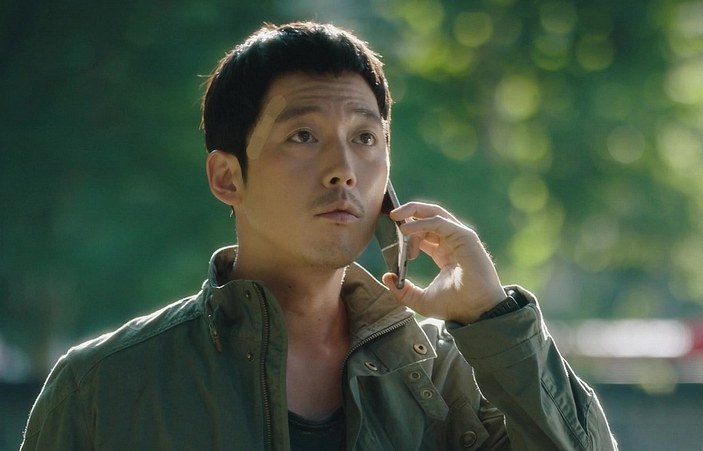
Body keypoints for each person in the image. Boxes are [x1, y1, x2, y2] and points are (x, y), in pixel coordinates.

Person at [20, 21, 618, 450]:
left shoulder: (445, 378)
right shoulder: (103, 388)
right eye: (302, 136)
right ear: (227, 177)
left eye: (365, 138)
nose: (343, 170)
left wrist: (491, 316)